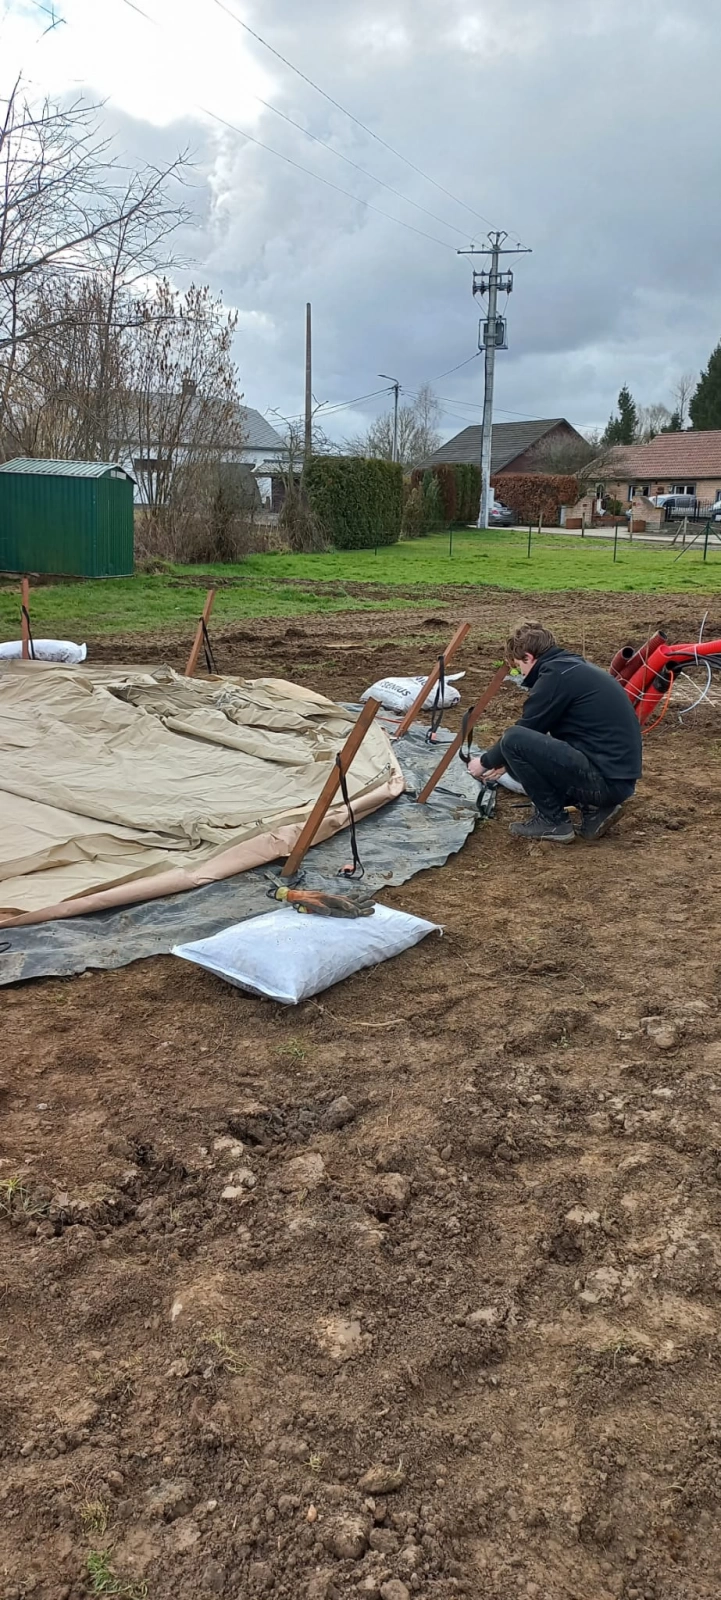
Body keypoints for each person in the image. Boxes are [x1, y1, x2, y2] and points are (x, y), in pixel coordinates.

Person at [468, 620, 642, 843]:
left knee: (513, 738)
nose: (519, 673)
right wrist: (506, 760)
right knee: (522, 745)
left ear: (528, 657)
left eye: (517, 666)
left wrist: (484, 762)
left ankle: (552, 821)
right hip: (617, 779)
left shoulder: (555, 677)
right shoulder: (573, 668)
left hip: (604, 782)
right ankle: (595, 810)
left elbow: (525, 730)